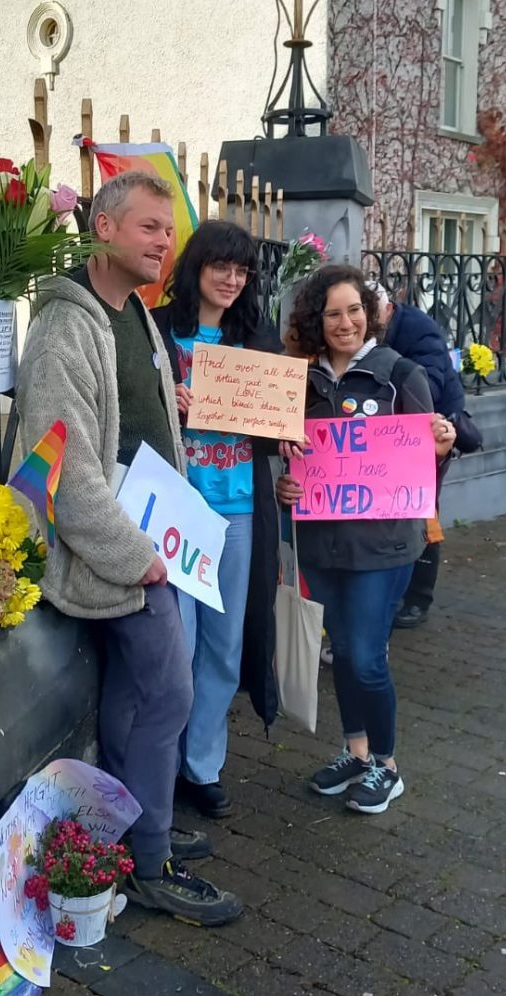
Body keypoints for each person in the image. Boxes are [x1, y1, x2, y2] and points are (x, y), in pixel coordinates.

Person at [16, 171, 242, 924]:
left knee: (132, 698)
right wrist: (132, 555)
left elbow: (150, 432)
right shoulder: (65, 326)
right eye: (149, 227)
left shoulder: (136, 318)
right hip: (118, 554)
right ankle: (147, 865)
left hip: (152, 542)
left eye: (168, 230)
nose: (163, 242)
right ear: (104, 229)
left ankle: (129, 832)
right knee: (165, 692)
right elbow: (59, 461)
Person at [276, 265, 456, 814]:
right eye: (333, 313)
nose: (345, 322)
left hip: (384, 547)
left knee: (364, 656)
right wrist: (287, 484)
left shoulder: (398, 373)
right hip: (323, 544)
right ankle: (354, 752)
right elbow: (288, 456)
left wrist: (442, 443)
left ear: (370, 314)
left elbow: (423, 454)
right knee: (344, 653)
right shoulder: (301, 383)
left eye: (354, 310)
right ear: (317, 320)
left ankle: (387, 765)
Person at [150, 220, 282, 819]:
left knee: (225, 646)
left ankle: (202, 766)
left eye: (242, 270)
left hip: (239, 511)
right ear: (196, 267)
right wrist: (166, 403)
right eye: (220, 266)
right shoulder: (156, 331)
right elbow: (126, 411)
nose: (232, 279)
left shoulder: (257, 339)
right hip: (178, 510)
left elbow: (280, 423)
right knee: (177, 644)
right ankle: (163, 761)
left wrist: (291, 446)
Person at [371, 285, 467, 629]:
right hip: (385, 437)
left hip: (427, 431)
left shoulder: (418, 328)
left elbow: (432, 386)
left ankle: (418, 599)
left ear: (387, 310)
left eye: (369, 315)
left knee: (424, 511)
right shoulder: (380, 329)